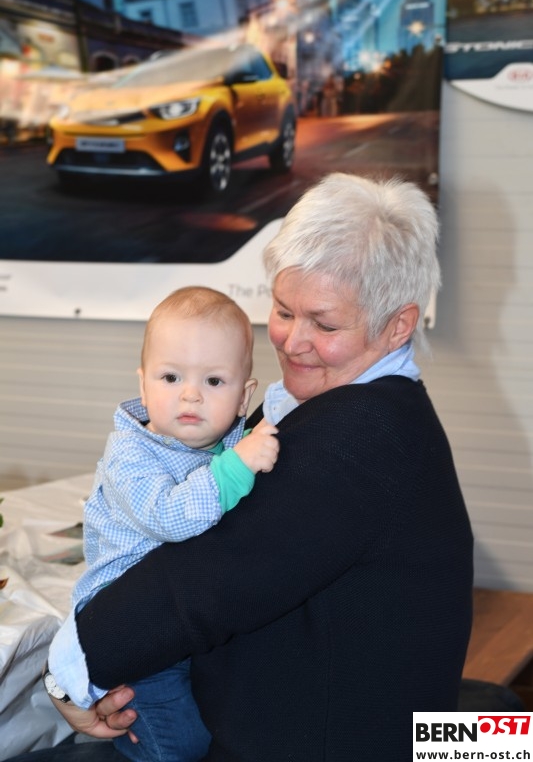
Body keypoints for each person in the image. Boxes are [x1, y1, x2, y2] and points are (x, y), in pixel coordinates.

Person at [12, 172, 473, 762]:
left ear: (399, 324)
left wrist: (72, 668)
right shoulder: (352, 405)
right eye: (283, 311)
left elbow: (206, 582)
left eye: (324, 324)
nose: (292, 341)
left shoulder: (359, 437)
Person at [45, 285, 279, 762]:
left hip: (186, 620)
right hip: (130, 627)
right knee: (179, 743)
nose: (190, 394)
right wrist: (236, 468)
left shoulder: (227, 443)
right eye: (170, 377)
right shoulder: (130, 453)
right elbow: (168, 517)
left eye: (214, 381)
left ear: (243, 396)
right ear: (143, 385)